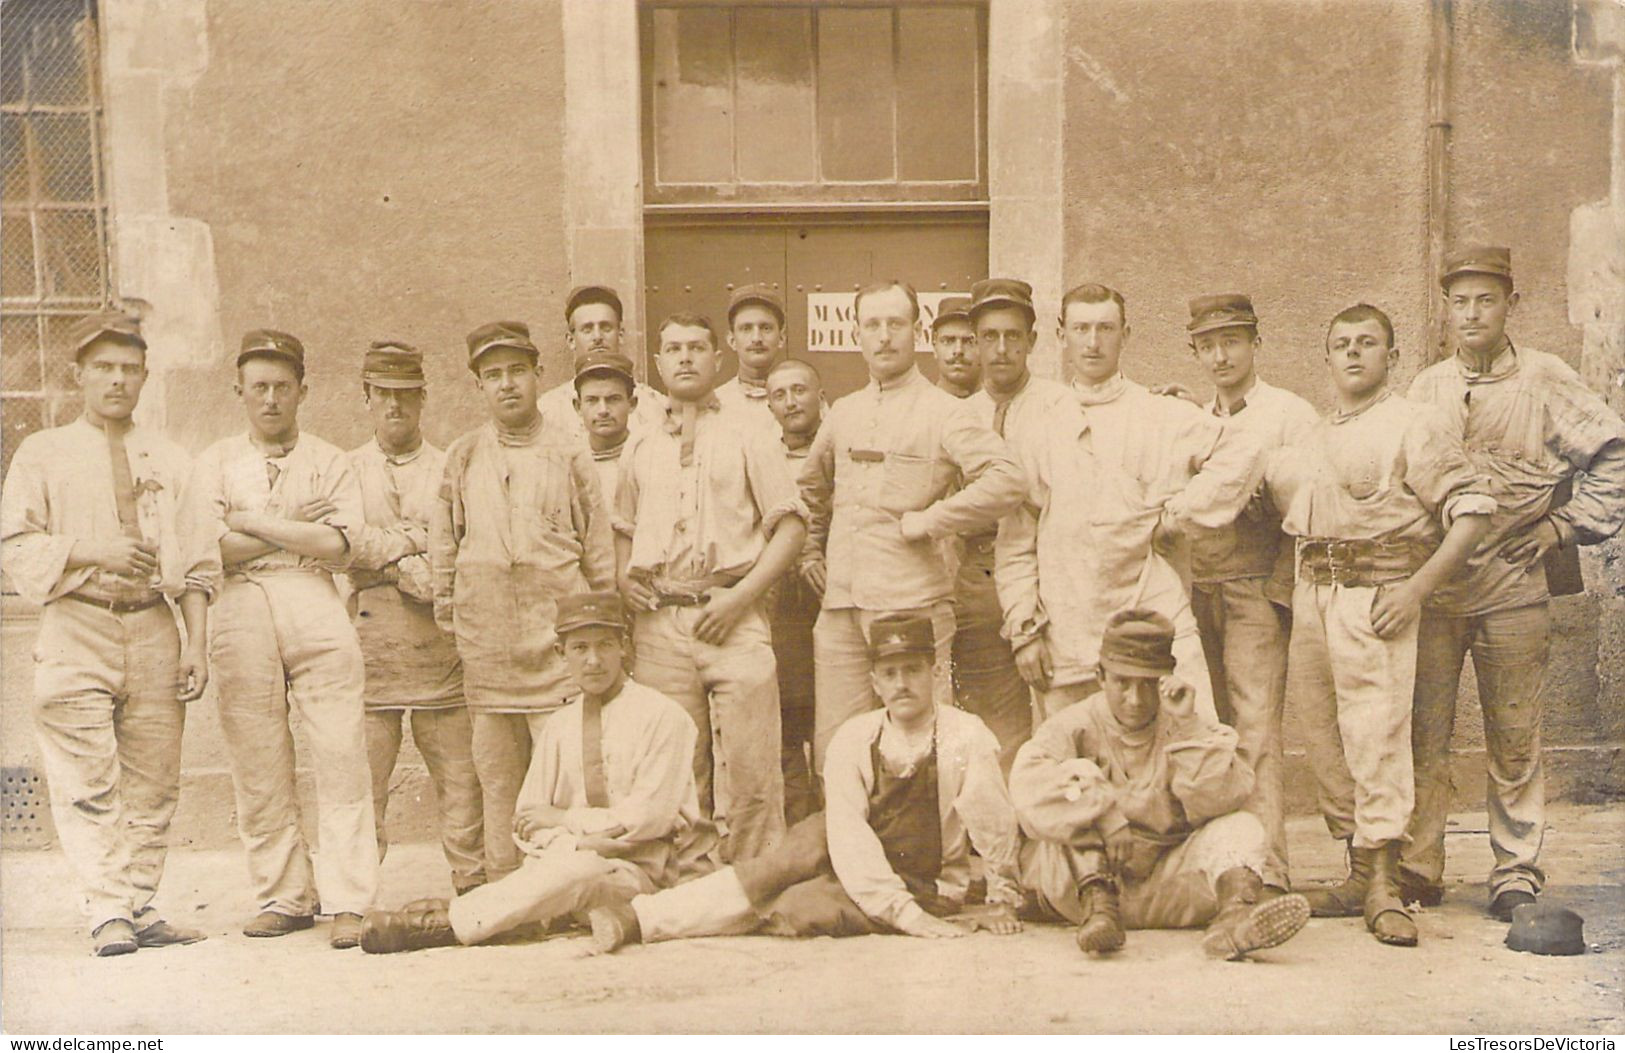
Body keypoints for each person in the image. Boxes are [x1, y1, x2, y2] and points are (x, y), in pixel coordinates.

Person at [1403, 247, 1625, 920]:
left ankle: (1514, 869)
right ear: (1447, 309)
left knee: (1513, 731)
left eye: (1485, 300)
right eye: (1459, 301)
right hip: (1440, 585)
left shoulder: (1544, 378)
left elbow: (1613, 453)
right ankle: (1418, 863)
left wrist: (1562, 528)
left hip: (1513, 582)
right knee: (1424, 729)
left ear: (1510, 305)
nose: (1471, 314)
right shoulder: (1426, 387)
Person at [587, 612, 1022, 951]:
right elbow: (851, 838)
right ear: (874, 681)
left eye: (912, 670)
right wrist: (899, 912)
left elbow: (994, 825)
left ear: (935, 673)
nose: (901, 683)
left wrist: (1001, 898)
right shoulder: (857, 737)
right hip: (859, 861)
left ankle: (650, 921)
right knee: (790, 853)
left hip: (925, 881)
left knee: (798, 906)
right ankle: (637, 918)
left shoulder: (966, 735)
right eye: (889, 674)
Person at [1267, 304, 1493, 947]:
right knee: (1324, 736)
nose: (1354, 353)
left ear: (1392, 358)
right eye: (1341, 344)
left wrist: (1417, 591)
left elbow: (1471, 512)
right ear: (1327, 355)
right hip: (1313, 593)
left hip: (1377, 596)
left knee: (1377, 737)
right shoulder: (1312, 433)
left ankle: (1386, 885)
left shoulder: (1412, 424)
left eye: (1368, 343)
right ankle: (1353, 870)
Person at [1, 311, 216, 957]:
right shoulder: (44, 451)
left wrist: (196, 643)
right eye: (104, 367)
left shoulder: (171, 458)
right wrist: (96, 550)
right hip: (77, 623)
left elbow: (202, 562)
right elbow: (13, 541)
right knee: (86, 778)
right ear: (79, 375)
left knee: (155, 778)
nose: (117, 379)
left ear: (144, 376)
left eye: (129, 368)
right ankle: (107, 910)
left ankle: (139, 902)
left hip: (154, 623)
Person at [357, 592, 715, 953]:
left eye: (605, 645)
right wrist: (576, 841)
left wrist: (564, 822)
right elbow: (527, 823)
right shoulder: (560, 725)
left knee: (576, 871)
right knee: (568, 869)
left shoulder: (665, 717)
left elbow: (646, 820)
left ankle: (441, 923)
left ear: (624, 646)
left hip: (643, 876)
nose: (593, 660)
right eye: (579, 648)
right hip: (566, 866)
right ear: (561, 654)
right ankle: (507, 915)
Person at [191, 329, 377, 949]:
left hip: (313, 595)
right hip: (239, 602)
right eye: (259, 386)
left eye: (283, 386)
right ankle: (284, 894)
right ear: (239, 391)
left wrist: (251, 524)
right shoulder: (215, 461)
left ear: (303, 390)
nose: (271, 398)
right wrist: (295, 526)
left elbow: (340, 545)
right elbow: (209, 547)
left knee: (341, 750)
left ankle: (351, 898)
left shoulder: (329, 459)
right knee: (257, 752)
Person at [1002, 284, 1259, 723]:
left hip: (1153, 613)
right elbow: (1016, 540)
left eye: (1105, 328)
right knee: (1076, 768)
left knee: (1190, 741)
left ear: (1126, 334)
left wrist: (1177, 518)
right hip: (1067, 623)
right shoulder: (1035, 421)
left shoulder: (1159, 414)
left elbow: (1244, 453)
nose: (1093, 341)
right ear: (1062, 334)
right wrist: (1024, 630)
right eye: (1081, 328)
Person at [800, 280, 1026, 771]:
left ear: (917, 332)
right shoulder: (843, 412)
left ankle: (932, 847)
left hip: (912, 604)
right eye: (872, 325)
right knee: (838, 751)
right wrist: (810, 553)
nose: (884, 337)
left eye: (896, 324)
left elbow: (1008, 480)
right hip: (841, 608)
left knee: (923, 750)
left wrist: (931, 520)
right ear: (857, 335)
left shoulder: (946, 412)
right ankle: (848, 847)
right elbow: (811, 490)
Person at [1011, 608, 1312, 960]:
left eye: (1149, 683)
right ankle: (1100, 911)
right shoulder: (1072, 724)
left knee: (1243, 827)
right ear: (1100, 676)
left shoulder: (1183, 722)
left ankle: (1234, 919)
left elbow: (1223, 799)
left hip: (1169, 887)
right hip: (1082, 889)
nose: (1135, 699)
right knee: (1068, 795)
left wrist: (1188, 729)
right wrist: (1103, 811)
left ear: (1167, 679)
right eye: (1123, 682)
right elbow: (1026, 788)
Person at [616, 312, 808, 861]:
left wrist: (740, 599)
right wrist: (623, 580)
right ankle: (687, 879)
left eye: (696, 348)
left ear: (716, 359)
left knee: (752, 764)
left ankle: (755, 879)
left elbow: (791, 528)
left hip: (733, 613)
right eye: (672, 348)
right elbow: (621, 529)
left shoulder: (750, 436)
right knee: (673, 762)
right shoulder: (641, 444)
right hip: (660, 624)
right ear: (657, 362)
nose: (684, 358)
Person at [432, 320, 616, 882]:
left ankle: (563, 886)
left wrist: (599, 624)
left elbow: (599, 551)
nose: (507, 384)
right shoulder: (463, 457)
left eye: (517, 371)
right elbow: (445, 542)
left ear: (538, 375)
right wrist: (453, 610)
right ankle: (502, 889)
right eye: (493, 375)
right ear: (479, 387)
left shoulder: (569, 454)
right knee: (497, 778)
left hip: (556, 648)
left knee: (565, 775)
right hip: (488, 651)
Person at [1163, 294, 1320, 894]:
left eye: (1232, 340)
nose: (1221, 355)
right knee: (1204, 726)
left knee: (1255, 727)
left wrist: (1282, 593)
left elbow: (1306, 510)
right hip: (1196, 588)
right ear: (1196, 351)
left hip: (1255, 589)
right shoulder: (1193, 418)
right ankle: (1219, 868)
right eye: (1208, 345)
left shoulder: (1288, 414)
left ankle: (1268, 869)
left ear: (1256, 342)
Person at [345, 341, 484, 896]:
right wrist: (414, 549)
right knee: (361, 782)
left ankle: (474, 885)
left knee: (460, 779)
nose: (395, 407)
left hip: (438, 650)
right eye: (384, 396)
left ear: (423, 398)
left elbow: (461, 548)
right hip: (368, 645)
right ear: (367, 399)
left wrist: (388, 558)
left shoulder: (450, 465)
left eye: (406, 395)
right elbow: (348, 549)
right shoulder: (345, 469)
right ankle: (354, 896)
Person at [766, 357, 827, 822]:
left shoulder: (838, 443)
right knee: (787, 717)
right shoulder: (760, 453)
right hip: (782, 602)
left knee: (833, 718)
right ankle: (798, 822)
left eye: (800, 390)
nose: (791, 402)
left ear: (819, 395)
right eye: (780, 395)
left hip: (831, 593)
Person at [536, 284, 666, 444]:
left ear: (621, 335)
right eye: (587, 329)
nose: (597, 337)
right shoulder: (549, 410)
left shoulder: (654, 406)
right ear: (571, 340)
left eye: (606, 327)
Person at [715, 283, 787, 433]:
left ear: (781, 338)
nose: (756, 338)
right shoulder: (716, 403)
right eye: (746, 329)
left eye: (766, 328)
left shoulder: (802, 400)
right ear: (732, 340)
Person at [572, 349, 640, 502]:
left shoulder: (647, 457)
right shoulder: (569, 463)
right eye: (592, 400)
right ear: (578, 406)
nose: (603, 411)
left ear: (632, 404)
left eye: (613, 399)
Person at [928, 295, 980, 399]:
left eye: (969, 341)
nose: (958, 350)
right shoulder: (918, 408)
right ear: (934, 346)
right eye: (948, 341)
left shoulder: (1000, 410)